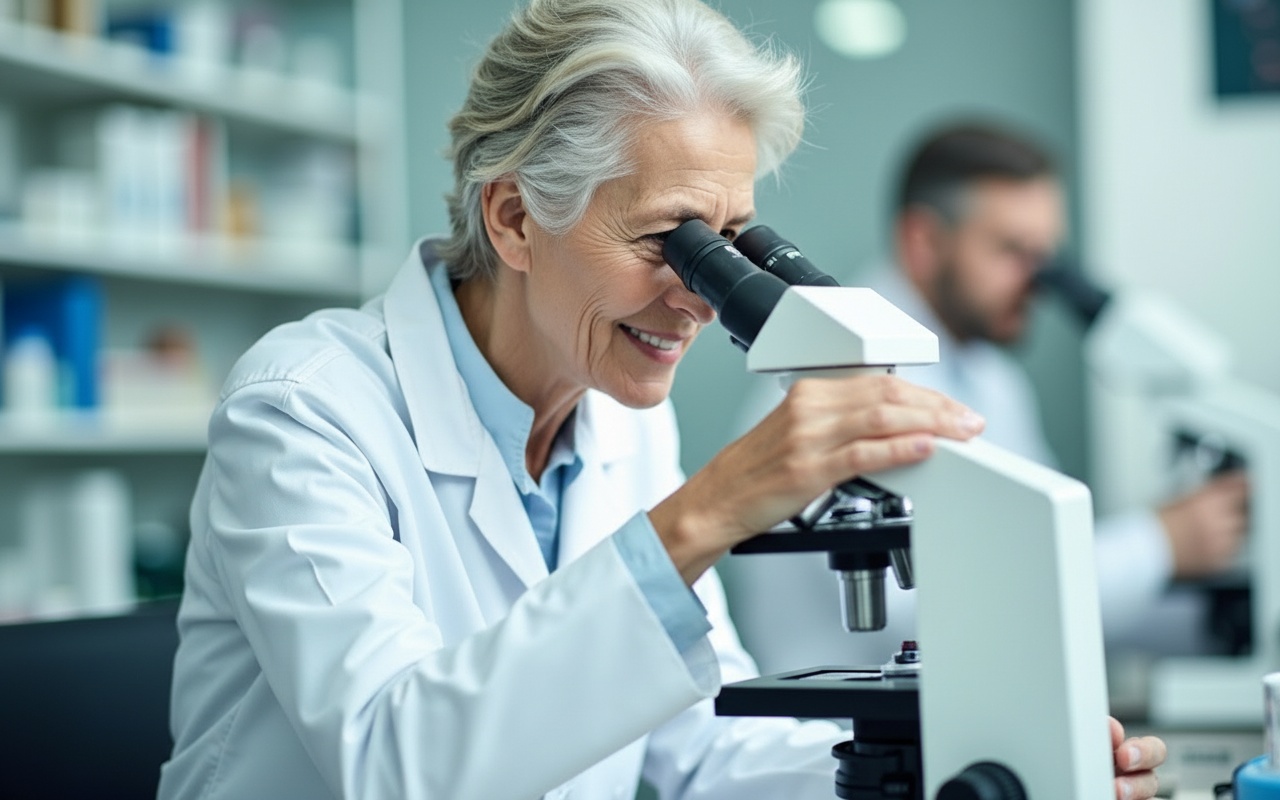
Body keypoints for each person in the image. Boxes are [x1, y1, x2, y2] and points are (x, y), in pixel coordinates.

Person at [157, 4, 1166, 799]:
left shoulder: (619, 414)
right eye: (668, 239)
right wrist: (707, 510)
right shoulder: (303, 411)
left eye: (728, 244)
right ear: (514, 217)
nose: (700, 293)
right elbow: (397, 765)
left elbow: (702, 749)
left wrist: (960, 771)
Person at [728, 121, 1251, 675]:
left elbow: (1044, 572)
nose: (1038, 281)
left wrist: (1217, 620)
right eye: (1013, 251)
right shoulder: (834, 384)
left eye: (1046, 256)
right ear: (924, 242)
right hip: (838, 737)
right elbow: (933, 614)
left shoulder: (992, 379)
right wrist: (1158, 545)